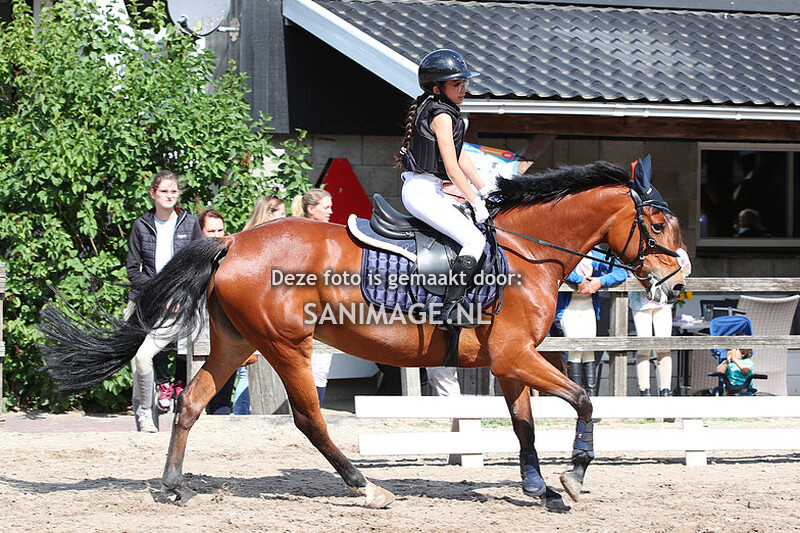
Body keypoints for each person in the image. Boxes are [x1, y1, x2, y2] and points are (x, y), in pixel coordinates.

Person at [395, 48, 493, 329]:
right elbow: (451, 168)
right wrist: (475, 201)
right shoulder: (441, 115)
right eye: (456, 84)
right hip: (422, 193)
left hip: (430, 190)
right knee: (475, 241)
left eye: (464, 82)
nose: (463, 89)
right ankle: (450, 307)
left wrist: (485, 187)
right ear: (437, 88)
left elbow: (460, 156)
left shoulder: (443, 110)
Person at [126, 170, 202, 432]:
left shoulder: (189, 223)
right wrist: (159, 294)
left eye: (174, 191)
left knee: (160, 354)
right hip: (148, 303)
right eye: (164, 191)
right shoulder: (141, 225)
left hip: (182, 303)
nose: (170, 195)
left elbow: (197, 268)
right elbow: (133, 270)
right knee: (139, 359)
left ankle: (172, 389)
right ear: (153, 194)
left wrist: (179, 295)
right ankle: (145, 413)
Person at [233, 194, 288, 414]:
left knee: (246, 371)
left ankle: (243, 414)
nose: (285, 219)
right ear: (269, 214)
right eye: (281, 214)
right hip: (260, 313)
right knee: (246, 371)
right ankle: (241, 414)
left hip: (255, 313)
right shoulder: (263, 243)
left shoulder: (247, 239)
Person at [630, 215, 692, 396]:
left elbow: (685, 271)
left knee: (664, 345)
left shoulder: (679, 253)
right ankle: (644, 389)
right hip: (640, 302)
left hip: (663, 302)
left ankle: (665, 389)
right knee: (644, 345)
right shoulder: (645, 251)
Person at [556, 250, 627, 396]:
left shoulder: (596, 256)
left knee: (589, 349)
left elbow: (621, 272)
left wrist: (600, 281)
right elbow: (559, 269)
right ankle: (577, 395)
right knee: (575, 348)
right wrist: (578, 279)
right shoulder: (567, 252)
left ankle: (591, 394)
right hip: (569, 308)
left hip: (589, 307)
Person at [291, 188, 335, 405]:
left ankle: (316, 411)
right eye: (326, 207)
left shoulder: (328, 233)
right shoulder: (301, 235)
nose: (330, 211)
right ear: (311, 209)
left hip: (324, 309)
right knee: (309, 368)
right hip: (304, 308)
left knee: (321, 367)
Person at [197, 209, 237, 415]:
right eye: (211, 231)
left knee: (222, 400)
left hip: (223, 334)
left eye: (220, 230)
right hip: (198, 334)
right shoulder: (194, 261)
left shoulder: (232, 258)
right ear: (200, 232)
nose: (217, 235)